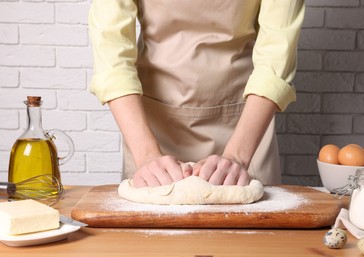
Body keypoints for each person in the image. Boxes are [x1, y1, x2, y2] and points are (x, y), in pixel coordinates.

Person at [88, 0, 305, 188]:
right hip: (153, 129)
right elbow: (112, 54)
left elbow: (276, 55)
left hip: (246, 124)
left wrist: (237, 156)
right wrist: (146, 155)